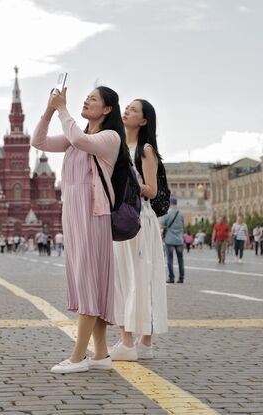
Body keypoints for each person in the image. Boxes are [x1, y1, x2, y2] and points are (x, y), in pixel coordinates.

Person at [32, 85, 124, 373]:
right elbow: (39, 141)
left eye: (92, 99)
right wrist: (49, 108)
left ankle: (77, 357)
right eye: (86, 97)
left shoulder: (109, 137)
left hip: (92, 215)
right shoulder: (75, 138)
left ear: (107, 109)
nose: (86, 101)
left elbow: (79, 138)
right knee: (89, 281)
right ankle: (101, 354)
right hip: (73, 216)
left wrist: (62, 109)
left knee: (88, 281)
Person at [110, 99, 168, 361]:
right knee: (125, 278)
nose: (127, 111)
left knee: (137, 279)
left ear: (143, 121)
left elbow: (152, 191)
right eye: (127, 107)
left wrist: (129, 179)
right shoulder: (119, 145)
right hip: (124, 217)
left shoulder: (145, 150)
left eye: (133, 110)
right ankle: (137, 342)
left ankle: (136, 342)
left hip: (138, 219)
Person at [160, 197, 185, 283]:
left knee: (170, 260)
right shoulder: (181, 213)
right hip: (179, 240)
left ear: (169, 203)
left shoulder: (167, 213)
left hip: (170, 239)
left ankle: (171, 278)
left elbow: (162, 225)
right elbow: (183, 225)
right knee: (180, 260)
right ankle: (181, 277)